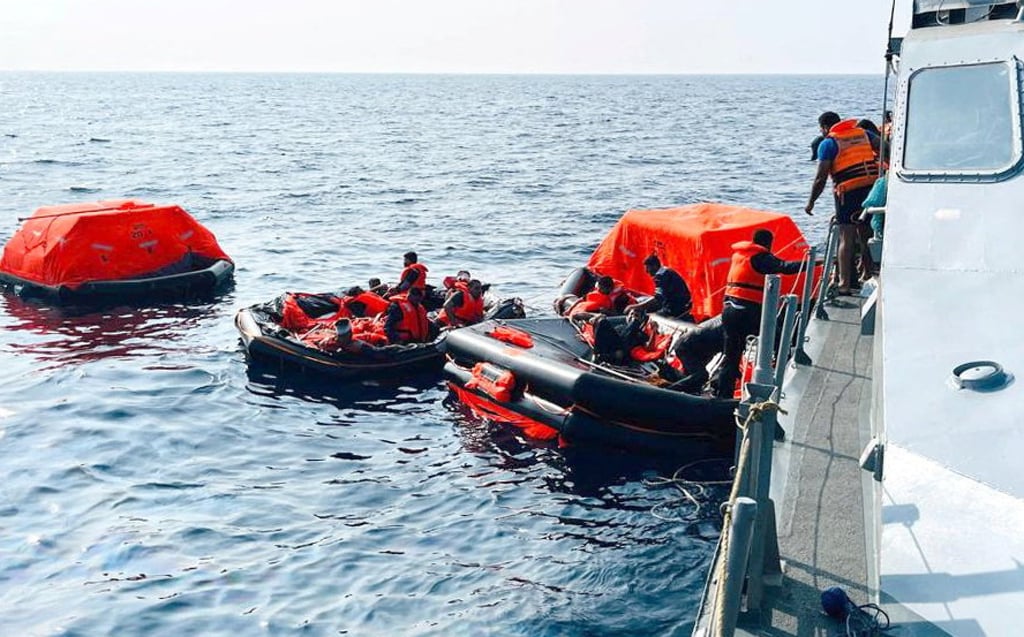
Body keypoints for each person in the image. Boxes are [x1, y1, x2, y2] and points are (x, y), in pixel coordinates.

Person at [715, 229, 805, 399]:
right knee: (777, 338)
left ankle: (723, 395)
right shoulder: (761, 257)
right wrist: (813, 262)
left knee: (731, 355)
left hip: (729, 310)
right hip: (747, 311)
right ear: (768, 243)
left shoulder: (740, 255)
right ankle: (784, 375)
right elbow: (785, 267)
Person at [805, 111, 880, 294]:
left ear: (824, 128)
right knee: (866, 234)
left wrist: (811, 203)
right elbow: (886, 149)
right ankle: (870, 276)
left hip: (848, 193)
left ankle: (844, 284)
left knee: (846, 237)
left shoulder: (828, 143)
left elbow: (820, 178)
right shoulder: (864, 134)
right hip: (870, 188)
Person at [625, 255, 693, 321]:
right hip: (682, 304)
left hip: (676, 308)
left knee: (651, 318)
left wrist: (636, 306)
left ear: (655, 266)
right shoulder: (666, 271)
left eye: (648, 268)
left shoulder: (661, 276)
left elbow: (657, 299)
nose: (646, 271)